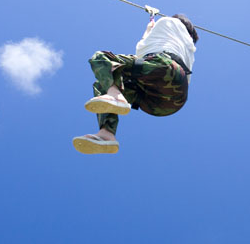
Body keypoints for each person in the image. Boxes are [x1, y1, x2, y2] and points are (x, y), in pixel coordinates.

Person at [73, 13, 198, 154]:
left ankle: (113, 99)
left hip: (162, 70)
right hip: (172, 101)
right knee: (106, 81)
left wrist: (150, 24)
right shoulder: (190, 49)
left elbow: (143, 44)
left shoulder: (168, 21)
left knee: (102, 59)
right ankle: (106, 134)